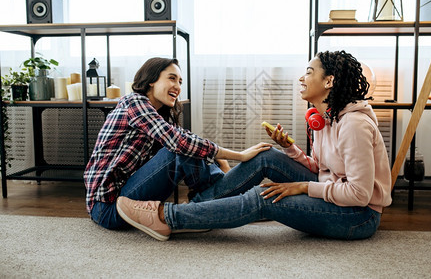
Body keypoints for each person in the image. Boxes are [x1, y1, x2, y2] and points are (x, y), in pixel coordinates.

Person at [116, 50, 393, 241]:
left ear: (329, 81)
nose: (301, 78)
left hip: (358, 216)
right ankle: (203, 210)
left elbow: (358, 194)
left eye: (309, 72)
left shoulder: (354, 125)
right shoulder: (322, 119)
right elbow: (321, 169)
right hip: (335, 193)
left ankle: (168, 217)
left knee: (264, 198)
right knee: (266, 156)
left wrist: (302, 187)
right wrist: (289, 150)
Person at [84, 57, 272, 229]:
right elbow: (179, 142)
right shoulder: (134, 102)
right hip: (109, 208)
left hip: (132, 200)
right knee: (179, 151)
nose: (178, 86)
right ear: (151, 80)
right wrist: (238, 155)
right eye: (172, 78)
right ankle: (224, 205)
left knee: (190, 150)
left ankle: (218, 206)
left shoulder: (158, 115)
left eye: (180, 82)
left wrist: (222, 161)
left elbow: (188, 139)